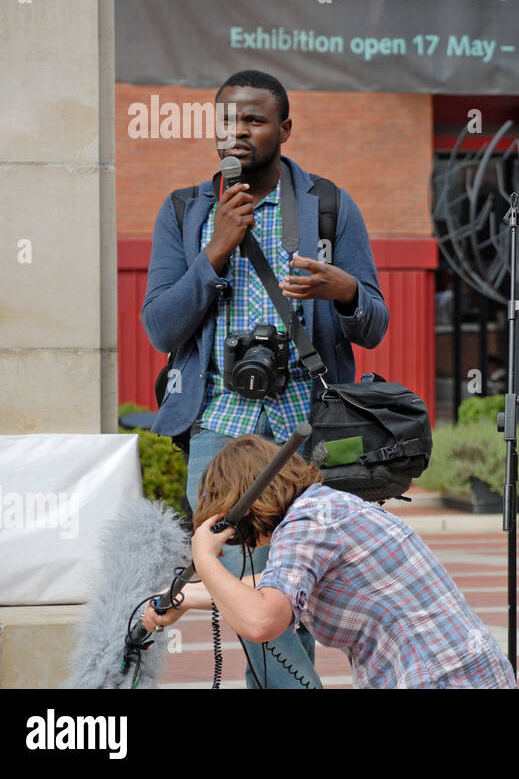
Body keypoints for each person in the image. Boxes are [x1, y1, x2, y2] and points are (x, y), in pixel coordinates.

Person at [141, 69, 388, 688]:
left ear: (284, 127)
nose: (238, 131)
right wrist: (215, 251)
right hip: (218, 433)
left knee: (287, 600)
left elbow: (375, 323)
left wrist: (345, 290)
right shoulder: (183, 211)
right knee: (243, 597)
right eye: (228, 119)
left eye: (253, 119)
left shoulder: (329, 206)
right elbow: (160, 329)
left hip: (305, 435)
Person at [143, 435, 515, 689]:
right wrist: (188, 595)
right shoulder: (318, 510)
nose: (241, 541)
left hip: (441, 678)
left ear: (245, 507)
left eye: (235, 530)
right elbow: (271, 586)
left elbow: (261, 620)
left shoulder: (308, 523)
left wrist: (204, 557)